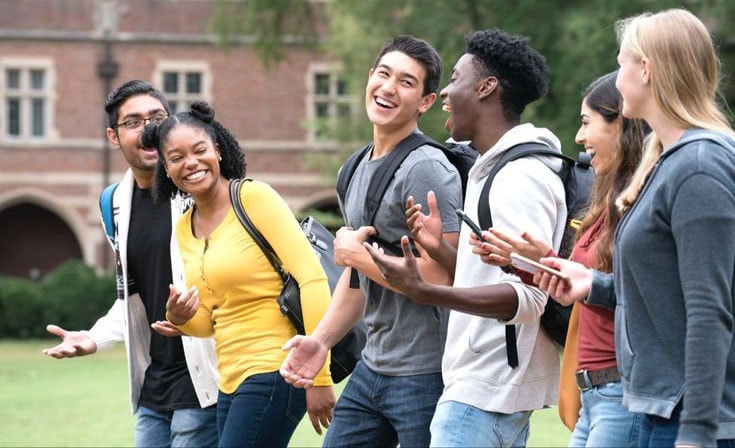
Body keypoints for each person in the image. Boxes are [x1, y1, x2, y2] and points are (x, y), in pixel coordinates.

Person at [533, 9, 735, 448]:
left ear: (645, 70)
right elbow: (666, 294)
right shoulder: (669, 161)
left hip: (685, 420)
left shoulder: (700, 166)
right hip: (654, 409)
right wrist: (593, 285)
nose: (617, 74)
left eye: (622, 61)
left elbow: (708, 311)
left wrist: (698, 434)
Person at [363, 29, 566, 447]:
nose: (445, 93)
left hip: (484, 392)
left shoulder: (519, 176)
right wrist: (441, 249)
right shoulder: (490, 170)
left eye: (455, 78)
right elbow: (500, 279)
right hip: (479, 388)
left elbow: (530, 298)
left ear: (486, 87)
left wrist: (425, 291)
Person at [280, 35, 463, 447]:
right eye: (384, 74)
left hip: (426, 373)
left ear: (426, 101)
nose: (388, 88)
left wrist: (359, 257)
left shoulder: (427, 168)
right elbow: (357, 281)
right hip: (373, 366)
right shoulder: (354, 168)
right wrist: (321, 341)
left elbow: (443, 277)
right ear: (369, 78)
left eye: (406, 82)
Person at [144, 101, 335, 448]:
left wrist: (319, 375)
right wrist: (180, 317)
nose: (191, 163)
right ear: (166, 168)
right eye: (176, 157)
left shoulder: (253, 197)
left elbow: (312, 279)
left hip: (278, 367)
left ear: (217, 151)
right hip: (229, 381)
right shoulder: (185, 227)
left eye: (199, 150)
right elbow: (210, 320)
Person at [42, 80, 219, 447]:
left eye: (157, 117)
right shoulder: (114, 205)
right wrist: (93, 338)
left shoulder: (199, 192)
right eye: (134, 122)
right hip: (152, 388)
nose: (149, 129)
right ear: (113, 136)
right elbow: (133, 299)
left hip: (204, 382)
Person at [476, 71, 648, 447]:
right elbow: (584, 285)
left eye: (587, 123)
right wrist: (533, 261)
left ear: (621, 125)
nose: (579, 138)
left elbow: (646, 293)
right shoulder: (607, 204)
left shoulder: (644, 205)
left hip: (621, 392)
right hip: (593, 394)